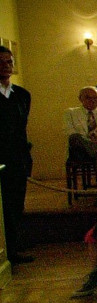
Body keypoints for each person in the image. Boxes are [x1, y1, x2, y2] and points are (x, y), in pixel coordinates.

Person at [0, 45, 34, 263]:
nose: (7, 66)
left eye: (9, 61)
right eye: (2, 62)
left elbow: (21, 127)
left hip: (17, 159)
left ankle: (13, 249)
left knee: (15, 204)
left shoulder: (22, 95)